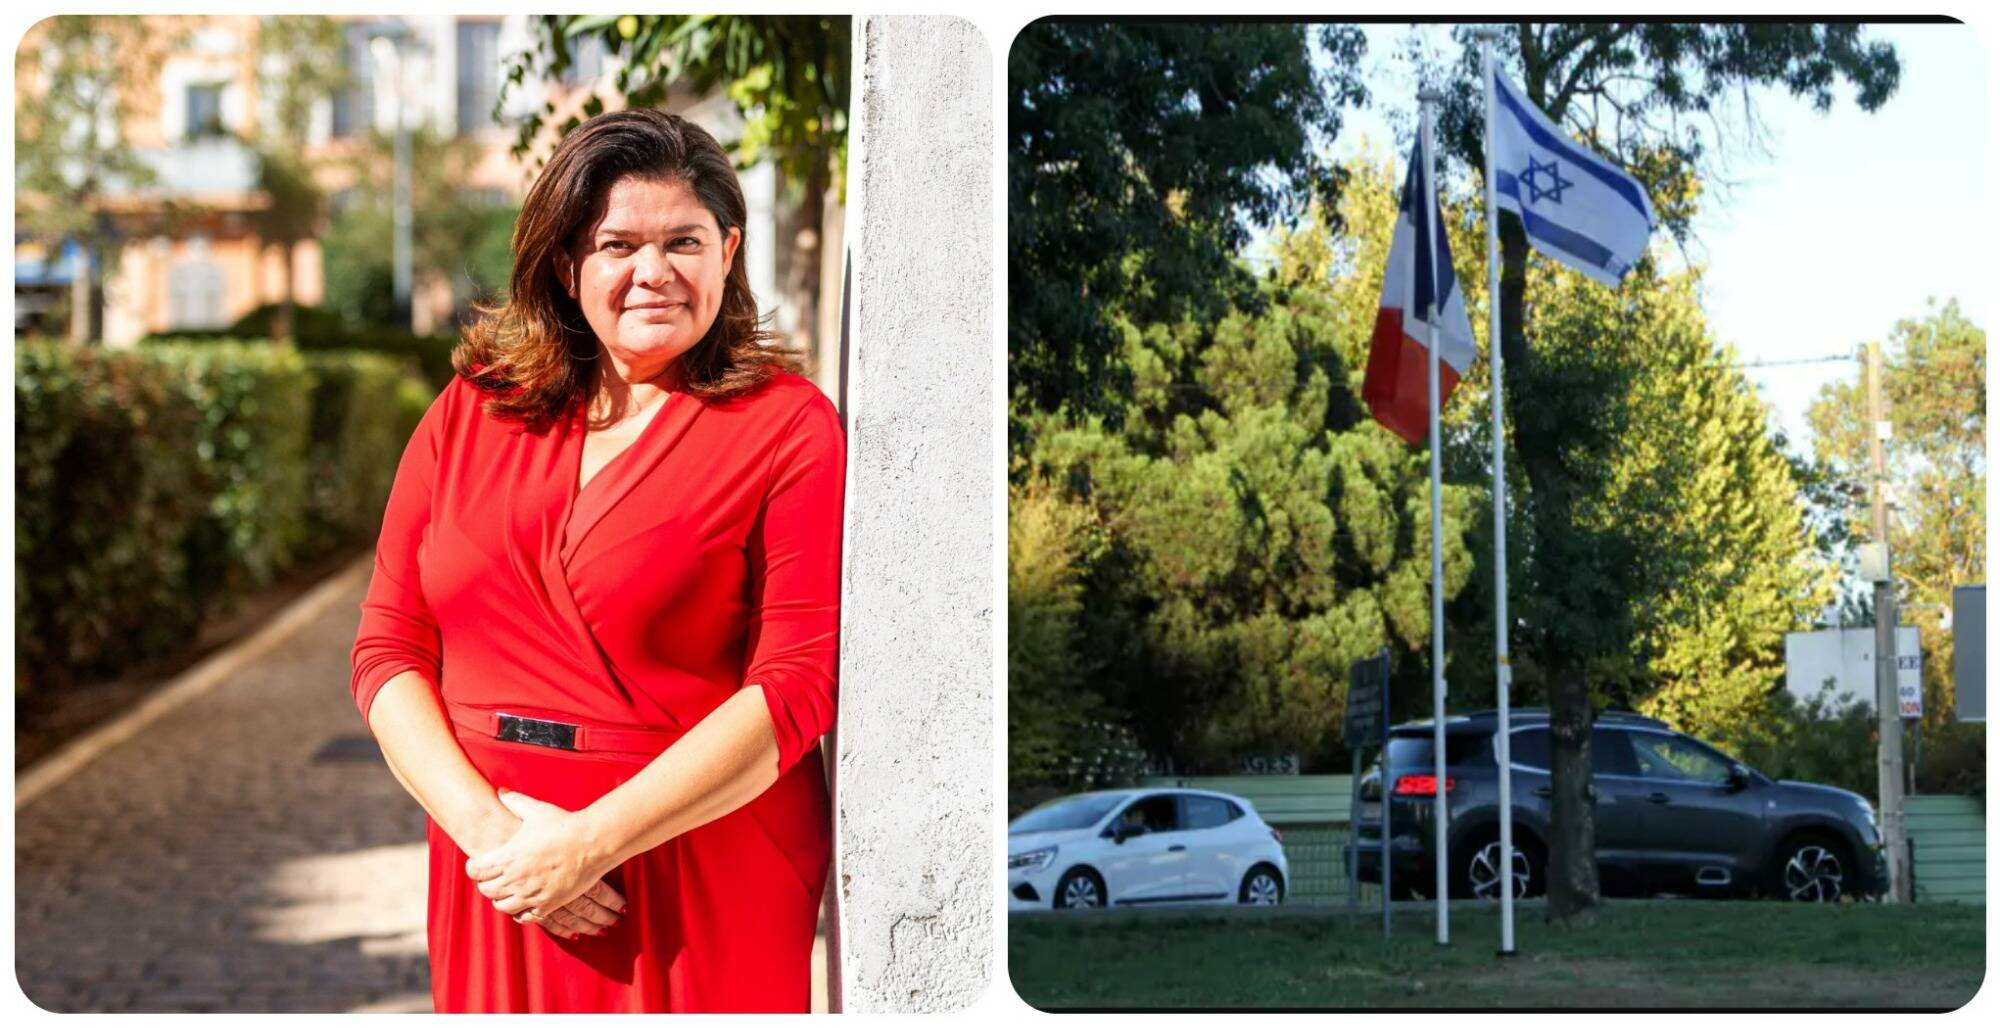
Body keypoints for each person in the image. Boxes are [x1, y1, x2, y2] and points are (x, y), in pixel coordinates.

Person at [349, 109, 843, 1013]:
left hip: (698, 867)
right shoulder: (471, 410)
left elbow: (797, 686)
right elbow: (387, 650)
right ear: (567, 263)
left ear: (728, 253)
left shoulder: (789, 427)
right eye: (619, 244)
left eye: (684, 242)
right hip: (497, 870)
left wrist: (587, 846)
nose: (653, 272)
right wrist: (498, 838)